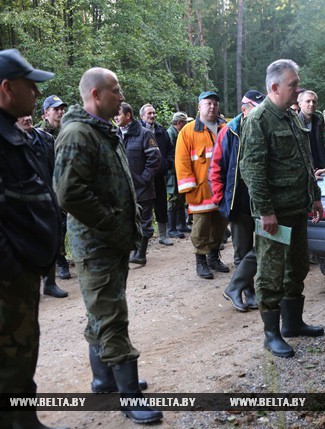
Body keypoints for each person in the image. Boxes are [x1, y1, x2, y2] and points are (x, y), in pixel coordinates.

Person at [54, 67, 162, 424]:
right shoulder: (77, 134)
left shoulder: (102, 131)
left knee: (101, 313)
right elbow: (69, 193)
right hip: (96, 243)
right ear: (96, 95)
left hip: (110, 241)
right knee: (112, 317)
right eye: (115, 90)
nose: (120, 95)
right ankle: (128, 397)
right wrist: (109, 222)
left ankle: (104, 380)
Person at [0, 48, 68, 429]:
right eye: (31, 86)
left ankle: (25, 419)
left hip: (23, 273)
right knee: (8, 359)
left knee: (22, 353)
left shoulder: (12, 131)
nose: (37, 95)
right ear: (7, 88)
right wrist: (12, 266)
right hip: (9, 277)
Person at [240, 59, 324, 358]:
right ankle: (271, 334)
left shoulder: (291, 117)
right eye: (293, 85)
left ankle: (292, 324)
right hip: (274, 214)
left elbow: (305, 160)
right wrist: (265, 211)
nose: (298, 89)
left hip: (296, 208)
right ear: (274, 87)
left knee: (297, 267)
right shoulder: (259, 120)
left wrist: (314, 195)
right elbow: (252, 169)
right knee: (271, 273)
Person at [210, 90, 264, 311]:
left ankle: (236, 287)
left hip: (261, 201)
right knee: (242, 251)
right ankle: (247, 293)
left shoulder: (263, 128)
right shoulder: (230, 131)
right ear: (245, 109)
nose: (261, 113)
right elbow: (216, 166)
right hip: (238, 202)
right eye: (256, 109)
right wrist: (220, 198)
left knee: (265, 245)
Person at [175, 90, 229, 279]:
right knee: (201, 228)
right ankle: (201, 260)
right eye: (208, 103)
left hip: (221, 189)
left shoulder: (226, 128)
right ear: (199, 107)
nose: (212, 106)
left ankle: (214, 258)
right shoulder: (188, 131)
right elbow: (182, 162)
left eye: (215, 103)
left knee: (220, 225)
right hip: (200, 190)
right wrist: (190, 188)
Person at [16, 114, 68, 298]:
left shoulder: (45, 138)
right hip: (22, 203)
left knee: (51, 238)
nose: (27, 118)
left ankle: (50, 283)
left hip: (48, 197)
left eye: (28, 115)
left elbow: (57, 167)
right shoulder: (9, 142)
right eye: (22, 116)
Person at [115, 102, 162, 266]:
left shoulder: (144, 134)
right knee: (126, 221)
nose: (115, 117)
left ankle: (140, 254)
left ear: (128, 115)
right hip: (122, 190)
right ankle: (130, 250)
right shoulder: (115, 134)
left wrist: (144, 179)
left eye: (118, 114)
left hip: (143, 188)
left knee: (144, 222)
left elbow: (155, 159)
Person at [36, 94, 72, 280]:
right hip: (47, 190)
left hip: (67, 187)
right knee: (54, 228)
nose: (60, 112)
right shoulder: (36, 135)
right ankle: (59, 261)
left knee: (66, 226)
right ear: (45, 114)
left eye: (61, 109)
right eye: (56, 109)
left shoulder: (68, 131)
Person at [140, 103, 174, 246]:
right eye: (149, 113)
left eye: (153, 113)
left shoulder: (161, 131)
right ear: (142, 116)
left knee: (161, 204)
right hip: (142, 177)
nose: (152, 116)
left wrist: (167, 164)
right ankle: (141, 238)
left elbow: (170, 150)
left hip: (160, 176)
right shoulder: (138, 132)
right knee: (142, 207)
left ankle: (163, 234)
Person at [166, 111, 191, 238]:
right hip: (172, 172)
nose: (186, 124)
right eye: (185, 122)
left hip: (178, 171)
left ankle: (181, 225)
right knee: (173, 198)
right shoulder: (171, 134)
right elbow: (170, 153)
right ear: (179, 123)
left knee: (180, 197)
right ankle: (171, 228)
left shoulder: (178, 133)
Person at [297, 90, 325, 173]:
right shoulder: (293, 124)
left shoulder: (319, 122)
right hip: (304, 172)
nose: (311, 104)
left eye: (314, 102)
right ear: (300, 104)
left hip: (320, 169)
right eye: (308, 101)